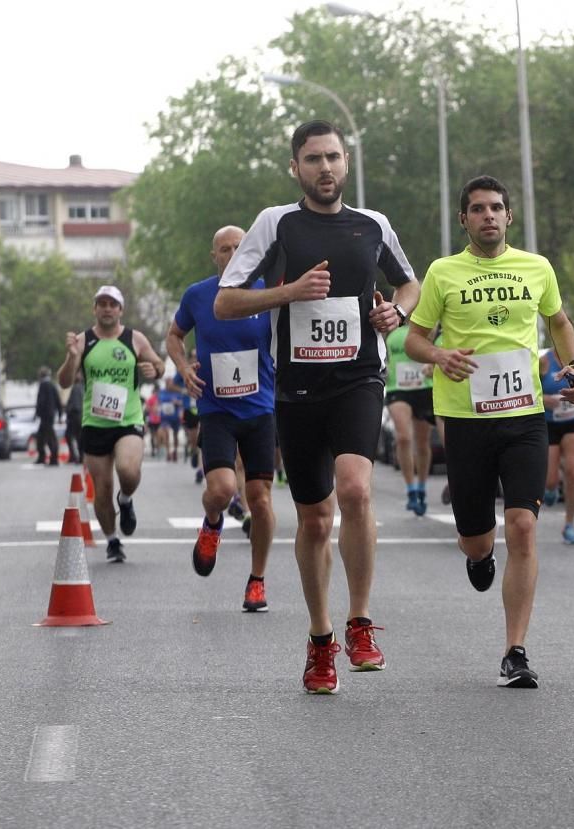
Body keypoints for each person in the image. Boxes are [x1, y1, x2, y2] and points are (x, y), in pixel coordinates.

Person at [214, 120, 420, 694]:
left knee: (354, 489)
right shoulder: (274, 224)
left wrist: (396, 315)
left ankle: (359, 622)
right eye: (312, 160)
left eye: (332, 157)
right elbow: (228, 301)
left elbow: (410, 284)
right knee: (314, 518)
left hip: (359, 377)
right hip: (297, 388)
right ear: (295, 168)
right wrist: (288, 292)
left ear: (346, 162)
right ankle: (321, 638)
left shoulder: (372, 225)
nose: (324, 168)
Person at [405, 175, 574, 689]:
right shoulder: (443, 273)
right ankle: (480, 556)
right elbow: (415, 339)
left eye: (497, 208)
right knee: (476, 539)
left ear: (509, 217)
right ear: (463, 219)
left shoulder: (537, 268)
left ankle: (515, 650)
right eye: (478, 209)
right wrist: (441, 354)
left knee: (524, 528)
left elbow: (560, 324)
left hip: (525, 417)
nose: (489, 216)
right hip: (465, 421)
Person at [168, 224, 277, 612]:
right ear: (214, 256)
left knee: (260, 501)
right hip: (216, 410)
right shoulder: (198, 295)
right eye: (224, 249)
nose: (232, 254)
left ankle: (257, 580)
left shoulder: (266, 291)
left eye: (238, 247)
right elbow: (174, 335)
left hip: (262, 409)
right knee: (221, 489)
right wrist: (183, 368)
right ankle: (212, 521)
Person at [57, 285, 165, 563]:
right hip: (94, 423)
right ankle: (112, 540)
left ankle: (126, 500)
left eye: (112, 304)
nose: (107, 308)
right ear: (95, 309)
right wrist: (71, 357)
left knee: (128, 470)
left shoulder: (134, 339)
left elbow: (158, 365)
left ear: (120, 310)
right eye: (102, 304)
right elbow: (65, 382)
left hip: (128, 420)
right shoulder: (83, 341)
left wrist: (155, 369)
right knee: (102, 488)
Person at [539, 349, 574, 545]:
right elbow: (532, 392)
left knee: (573, 471)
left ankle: (569, 524)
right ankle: (551, 489)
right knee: (551, 479)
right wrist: (547, 400)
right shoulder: (543, 362)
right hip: (550, 423)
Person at [384, 321, 437, 515]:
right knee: (403, 437)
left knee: (422, 444)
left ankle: (422, 485)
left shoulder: (427, 327)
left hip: (424, 388)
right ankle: (410, 489)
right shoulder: (393, 327)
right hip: (398, 389)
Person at [34, 366, 64, 466]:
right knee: (42, 437)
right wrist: (60, 415)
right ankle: (45, 457)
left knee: (48, 437)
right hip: (51, 415)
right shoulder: (53, 385)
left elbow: (40, 401)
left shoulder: (43, 385)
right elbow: (59, 402)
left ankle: (53, 458)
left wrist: (37, 413)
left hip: (45, 416)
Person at [65, 370, 84, 464]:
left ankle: (78, 457)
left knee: (75, 437)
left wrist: (69, 413)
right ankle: (79, 457)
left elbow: (75, 405)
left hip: (75, 417)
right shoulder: (81, 387)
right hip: (79, 416)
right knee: (77, 438)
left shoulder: (76, 388)